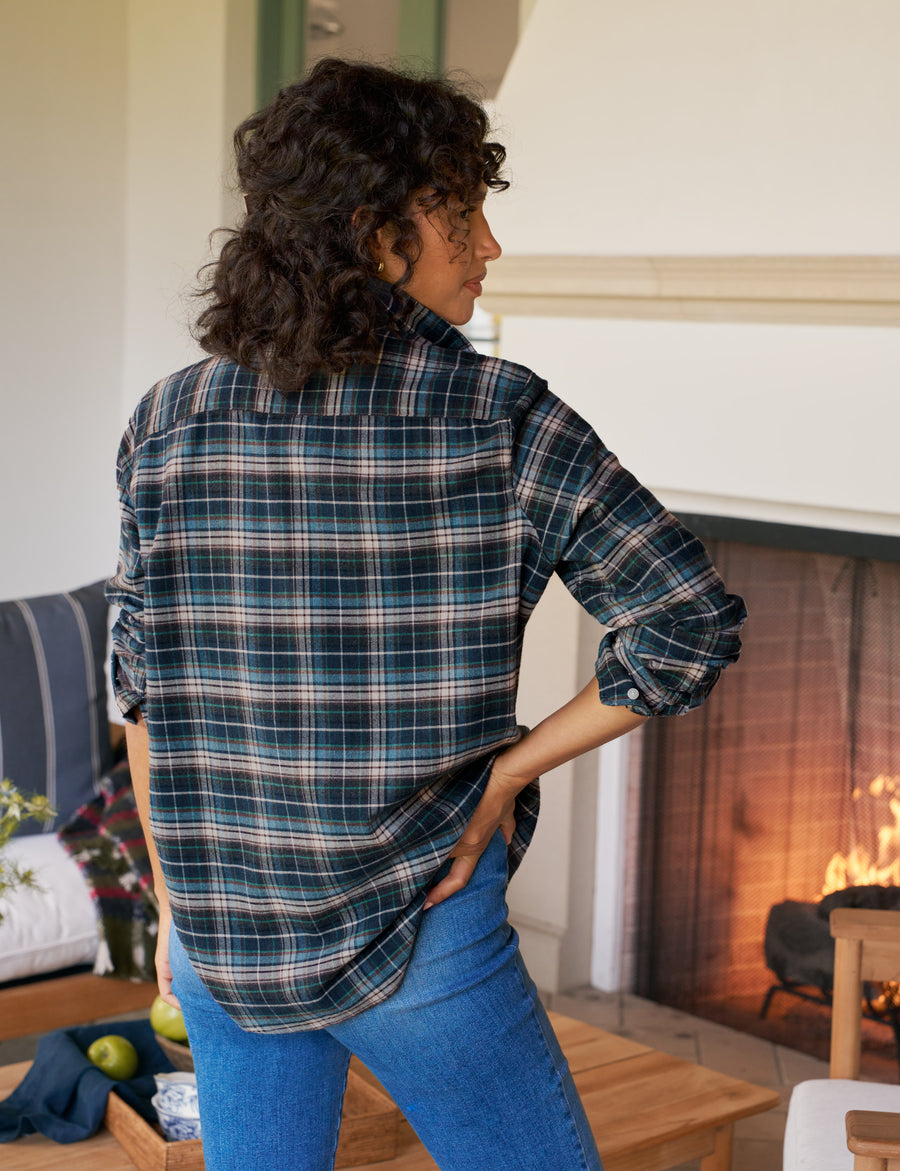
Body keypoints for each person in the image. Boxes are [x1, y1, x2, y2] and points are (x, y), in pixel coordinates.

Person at [108, 58, 746, 1171]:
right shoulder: (500, 417)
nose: (489, 245)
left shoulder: (167, 422)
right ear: (374, 234)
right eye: (463, 209)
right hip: (421, 931)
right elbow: (686, 621)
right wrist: (506, 773)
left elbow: (141, 691)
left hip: (226, 937)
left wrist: (175, 908)